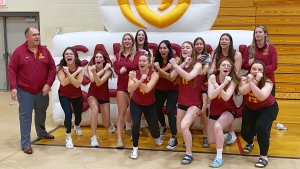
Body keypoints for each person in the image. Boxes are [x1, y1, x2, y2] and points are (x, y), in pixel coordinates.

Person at [8, 27, 56, 154]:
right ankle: (26, 143)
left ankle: (41, 133)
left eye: (38, 34)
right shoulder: (19, 52)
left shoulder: (44, 51)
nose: (37, 37)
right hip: (25, 91)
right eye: (34, 35)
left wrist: (48, 84)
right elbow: (12, 70)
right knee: (25, 116)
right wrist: (13, 87)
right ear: (27, 37)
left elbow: (52, 68)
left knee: (41, 112)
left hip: (42, 91)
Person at [168, 41, 203, 165]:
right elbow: (172, 76)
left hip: (195, 103)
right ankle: (188, 136)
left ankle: (189, 154)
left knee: (184, 126)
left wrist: (176, 65)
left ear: (192, 50)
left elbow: (189, 77)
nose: (184, 49)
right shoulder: (182, 64)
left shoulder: (198, 65)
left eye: (188, 47)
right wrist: (182, 64)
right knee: (179, 130)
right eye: (182, 47)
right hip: (182, 102)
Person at [239, 60, 278, 168]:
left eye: (260, 69)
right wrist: (253, 81)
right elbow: (243, 91)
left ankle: (263, 157)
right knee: (245, 134)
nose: (256, 71)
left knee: (261, 127)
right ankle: (250, 142)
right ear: (250, 70)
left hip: (268, 107)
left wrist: (253, 81)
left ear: (263, 72)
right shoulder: (243, 79)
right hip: (250, 108)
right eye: (254, 69)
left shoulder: (268, 82)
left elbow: (261, 96)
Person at [209, 33, 242, 145]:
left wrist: (228, 81)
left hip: (230, 80)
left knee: (227, 101)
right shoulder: (215, 52)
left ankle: (231, 132)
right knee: (211, 141)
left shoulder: (236, 54)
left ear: (230, 42)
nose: (223, 41)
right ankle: (225, 135)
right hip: (218, 78)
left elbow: (236, 71)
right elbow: (213, 68)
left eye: (226, 39)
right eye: (221, 39)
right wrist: (214, 79)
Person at [128, 54, 163, 159]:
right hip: (136, 103)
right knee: (136, 124)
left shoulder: (155, 75)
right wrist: (138, 80)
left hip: (150, 104)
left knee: (154, 131)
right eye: (140, 61)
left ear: (149, 63)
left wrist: (136, 81)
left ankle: (157, 137)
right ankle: (134, 149)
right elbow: (130, 90)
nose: (141, 63)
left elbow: (147, 89)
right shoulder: (134, 73)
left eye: (144, 61)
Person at [207, 58, 240, 168]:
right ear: (218, 68)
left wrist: (217, 84)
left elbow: (226, 97)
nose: (226, 67)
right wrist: (219, 84)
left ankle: (219, 157)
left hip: (229, 110)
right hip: (214, 110)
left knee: (217, 126)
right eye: (223, 65)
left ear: (231, 69)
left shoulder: (233, 80)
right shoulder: (212, 78)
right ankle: (228, 137)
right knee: (211, 140)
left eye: (228, 66)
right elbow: (211, 96)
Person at [112, 33, 142, 148]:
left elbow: (133, 65)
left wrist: (117, 63)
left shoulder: (137, 54)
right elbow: (118, 72)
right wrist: (121, 67)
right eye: (125, 39)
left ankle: (134, 135)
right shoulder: (118, 55)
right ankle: (119, 139)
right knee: (121, 113)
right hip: (121, 87)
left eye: (129, 39)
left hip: (133, 85)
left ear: (132, 41)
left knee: (134, 112)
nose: (127, 41)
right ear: (122, 42)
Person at [153, 40, 179, 149]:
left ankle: (174, 136)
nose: (162, 50)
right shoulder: (156, 60)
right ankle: (163, 126)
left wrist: (160, 70)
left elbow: (170, 77)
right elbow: (156, 75)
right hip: (160, 88)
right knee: (156, 108)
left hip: (173, 88)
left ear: (169, 49)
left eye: (165, 48)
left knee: (169, 110)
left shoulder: (175, 59)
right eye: (160, 48)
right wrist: (165, 69)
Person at [57, 47, 85, 149]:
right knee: (68, 113)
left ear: (75, 56)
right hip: (64, 94)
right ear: (64, 57)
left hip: (76, 94)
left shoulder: (80, 67)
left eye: (71, 54)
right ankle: (68, 137)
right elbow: (63, 83)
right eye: (66, 54)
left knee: (78, 116)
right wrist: (74, 73)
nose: (69, 55)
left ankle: (77, 126)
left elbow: (77, 84)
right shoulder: (60, 68)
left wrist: (69, 73)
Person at [242, 25, 278, 96]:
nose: (258, 34)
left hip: (267, 80)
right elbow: (245, 65)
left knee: (268, 104)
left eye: (260, 32)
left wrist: (261, 71)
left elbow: (274, 66)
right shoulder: (249, 48)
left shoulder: (271, 48)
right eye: (256, 32)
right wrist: (249, 64)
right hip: (253, 81)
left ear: (265, 34)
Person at [87, 51, 113, 147]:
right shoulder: (90, 68)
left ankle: (109, 124)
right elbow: (93, 80)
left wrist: (102, 70)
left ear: (103, 60)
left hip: (104, 95)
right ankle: (93, 137)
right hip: (92, 94)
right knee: (95, 110)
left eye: (100, 57)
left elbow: (99, 82)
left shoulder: (109, 71)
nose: (98, 59)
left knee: (105, 124)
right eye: (96, 57)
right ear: (94, 60)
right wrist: (94, 72)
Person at [134, 29, 153, 136]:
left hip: (146, 78)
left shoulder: (148, 51)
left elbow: (152, 65)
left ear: (145, 38)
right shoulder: (133, 50)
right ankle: (131, 128)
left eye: (142, 35)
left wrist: (147, 56)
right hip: (134, 78)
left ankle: (142, 125)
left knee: (144, 101)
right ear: (136, 38)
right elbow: (131, 64)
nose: (141, 36)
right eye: (139, 35)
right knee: (133, 105)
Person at [193, 37, 212, 148]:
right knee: (189, 110)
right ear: (194, 46)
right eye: (197, 44)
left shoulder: (207, 56)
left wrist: (198, 62)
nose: (199, 46)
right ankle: (189, 133)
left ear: (203, 46)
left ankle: (206, 136)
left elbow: (203, 71)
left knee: (203, 111)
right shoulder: (190, 56)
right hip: (192, 87)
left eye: (201, 44)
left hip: (203, 86)